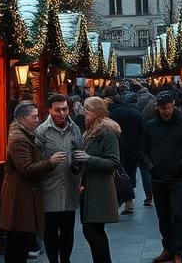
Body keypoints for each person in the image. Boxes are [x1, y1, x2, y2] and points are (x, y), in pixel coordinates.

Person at [0, 101, 66, 263]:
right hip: (20, 194)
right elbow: (26, 169)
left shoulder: (23, 134)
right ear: (22, 118)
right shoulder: (19, 139)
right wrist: (50, 162)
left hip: (24, 192)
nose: (38, 120)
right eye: (34, 117)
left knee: (21, 237)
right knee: (18, 237)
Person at [140, 90, 182, 263]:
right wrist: (150, 164)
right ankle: (168, 248)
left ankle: (178, 251)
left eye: (168, 107)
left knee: (177, 213)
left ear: (173, 105)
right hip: (158, 177)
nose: (166, 111)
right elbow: (143, 147)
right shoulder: (151, 125)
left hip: (178, 177)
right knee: (163, 215)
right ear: (158, 108)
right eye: (162, 108)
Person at [35, 93, 83, 263]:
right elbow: (37, 161)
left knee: (68, 230)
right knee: (50, 231)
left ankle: (65, 259)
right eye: (57, 110)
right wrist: (50, 161)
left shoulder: (74, 129)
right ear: (49, 110)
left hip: (70, 187)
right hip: (50, 188)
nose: (62, 114)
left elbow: (79, 151)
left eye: (65, 109)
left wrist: (79, 162)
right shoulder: (41, 131)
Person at [75, 97, 121, 263]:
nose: (84, 111)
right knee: (92, 230)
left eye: (88, 108)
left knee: (92, 230)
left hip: (100, 189)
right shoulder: (90, 131)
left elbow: (113, 162)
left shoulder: (107, 133)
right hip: (89, 186)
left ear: (97, 111)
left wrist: (88, 159)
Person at [109, 92, 144, 214]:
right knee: (131, 174)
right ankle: (129, 202)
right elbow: (142, 133)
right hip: (134, 150)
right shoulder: (138, 114)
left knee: (119, 175)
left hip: (118, 149)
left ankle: (121, 202)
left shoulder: (114, 113)